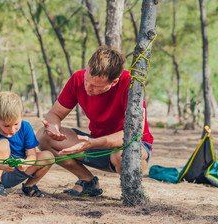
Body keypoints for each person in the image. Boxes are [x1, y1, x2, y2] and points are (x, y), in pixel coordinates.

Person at [36, 46, 154, 197]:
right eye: (87, 80)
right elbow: (55, 113)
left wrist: (93, 143)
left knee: (121, 156)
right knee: (42, 136)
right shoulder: (78, 79)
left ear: (114, 82)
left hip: (132, 145)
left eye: (95, 86)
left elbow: (134, 133)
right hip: (97, 144)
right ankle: (87, 181)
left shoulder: (130, 85)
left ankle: (132, 193)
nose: (87, 87)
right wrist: (53, 127)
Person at [0, 92, 54, 197]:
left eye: (16, 124)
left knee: (48, 156)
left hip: (15, 172)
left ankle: (29, 186)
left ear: (21, 115)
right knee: (2, 143)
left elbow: (32, 155)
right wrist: (0, 165)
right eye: (6, 125)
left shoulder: (26, 127)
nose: (12, 130)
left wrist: (26, 163)